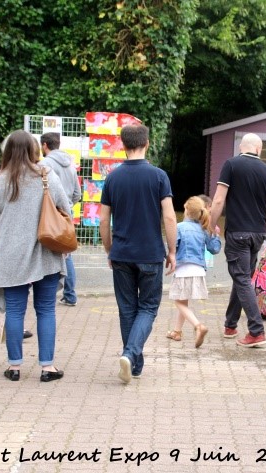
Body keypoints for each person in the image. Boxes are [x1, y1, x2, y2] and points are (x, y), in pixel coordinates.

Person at [0, 130, 70, 382]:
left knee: (14, 310)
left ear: (7, 151)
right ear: (35, 150)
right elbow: (65, 210)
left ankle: (14, 367)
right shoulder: (47, 177)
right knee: (45, 310)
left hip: (10, 255)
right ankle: (47, 367)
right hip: (46, 252)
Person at [100, 124, 177, 383]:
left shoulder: (112, 177)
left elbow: (103, 220)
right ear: (147, 143)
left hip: (122, 253)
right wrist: (172, 250)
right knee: (148, 307)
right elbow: (168, 216)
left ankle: (132, 363)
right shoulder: (158, 176)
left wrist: (109, 249)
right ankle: (131, 354)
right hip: (150, 253)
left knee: (127, 309)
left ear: (123, 145)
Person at [209, 133, 266, 347]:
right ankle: (230, 325)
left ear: (241, 147)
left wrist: (211, 224)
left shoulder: (231, 165)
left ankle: (256, 331)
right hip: (257, 233)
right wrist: (263, 228)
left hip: (237, 232)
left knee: (241, 279)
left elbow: (219, 199)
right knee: (243, 279)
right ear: (259, 149)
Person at [165, 196, 221, 348]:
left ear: (187, 211)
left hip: (183, 269)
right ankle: (177, 332)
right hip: (199, 270)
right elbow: (214, 249)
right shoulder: (204, 228)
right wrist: (215, 234)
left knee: (178, 301)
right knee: (183, 300)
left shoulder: (180, 227)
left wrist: (168, 257)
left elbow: (173, 246)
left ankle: (198, 326)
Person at [39, 132, 81, 307]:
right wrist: (68, 204)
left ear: (45, 145)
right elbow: (77, 194)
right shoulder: (70, 166)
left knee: (44, 250)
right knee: (66, 252)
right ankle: (70, 294)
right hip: (66, 214)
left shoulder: (44, 165)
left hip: (48, 214)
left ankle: (44, 293)